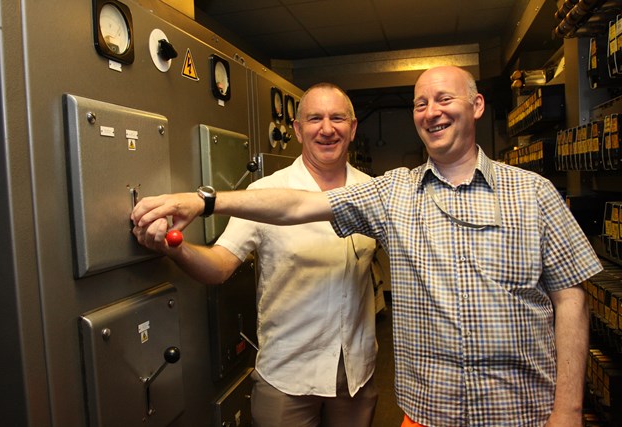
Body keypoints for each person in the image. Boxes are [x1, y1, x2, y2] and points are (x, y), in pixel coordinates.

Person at [132, 66, 603, 427]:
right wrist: (203, 199)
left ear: (477, 106)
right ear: (297, 130)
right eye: (420, 103)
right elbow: (295, 206)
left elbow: (571, 298)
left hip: (514, 406)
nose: (432, 111)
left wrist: (569, 409)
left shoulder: (534, 193)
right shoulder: (392, 193)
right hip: (414, 404)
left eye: (444, 99)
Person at [132, 83, 379, 427]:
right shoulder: (263, 193)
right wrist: (175, 248)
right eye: (314, 119)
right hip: (289, 375)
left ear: (352, 128)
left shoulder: (374, 193)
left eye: (337, 118)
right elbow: (219, 266)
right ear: (297, 130)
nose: (326, 129)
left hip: (356, 373)